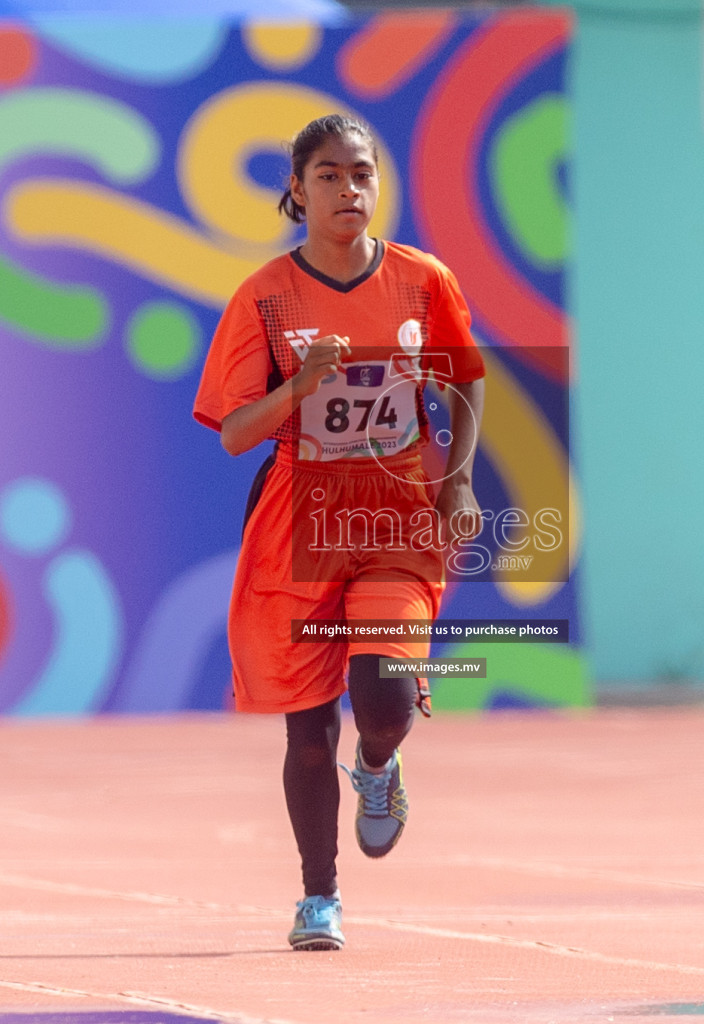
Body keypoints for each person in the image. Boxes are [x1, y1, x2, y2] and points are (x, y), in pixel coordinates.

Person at [192, 114, 486, 951]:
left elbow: (465, 378)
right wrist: (301, 386)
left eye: (361, 174)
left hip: (395, 513)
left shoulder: (422, 280)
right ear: (296, 190)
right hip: (302, 518)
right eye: (328, 175)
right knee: (310, 727)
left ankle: (383, 763)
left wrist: (457, 481)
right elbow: (234, 431)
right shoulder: (266, 296)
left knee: (383, 698)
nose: (347, 189)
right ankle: (318, 897)